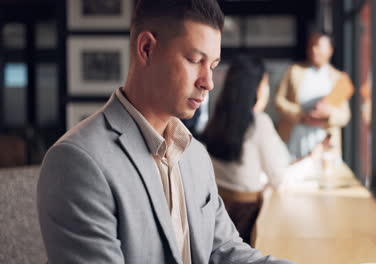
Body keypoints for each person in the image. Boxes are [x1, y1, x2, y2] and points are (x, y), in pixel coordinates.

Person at [36, 1, 295, 263]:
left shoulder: (195, 154)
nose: (208, 82)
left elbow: (223, 250)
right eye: (195, 60)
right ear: (146, 49)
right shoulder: (76, 162)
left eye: (213, 66)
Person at [201, 55, 289, 245]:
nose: (267, 91)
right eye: (265, 84)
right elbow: (278, 177)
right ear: (255, 87)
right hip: (249, 219)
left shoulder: (216, 119)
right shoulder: (259, 123)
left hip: (218, 218)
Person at [275, 32, 354, 160]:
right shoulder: (294, 71)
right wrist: (301, 115)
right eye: (311, 46)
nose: (314, 50)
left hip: (325, 141)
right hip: (294, 137)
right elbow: (279, 101)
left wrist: (329, 114)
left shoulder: (338, 78)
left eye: (318, 46)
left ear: (330, 50)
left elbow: (345, 115)